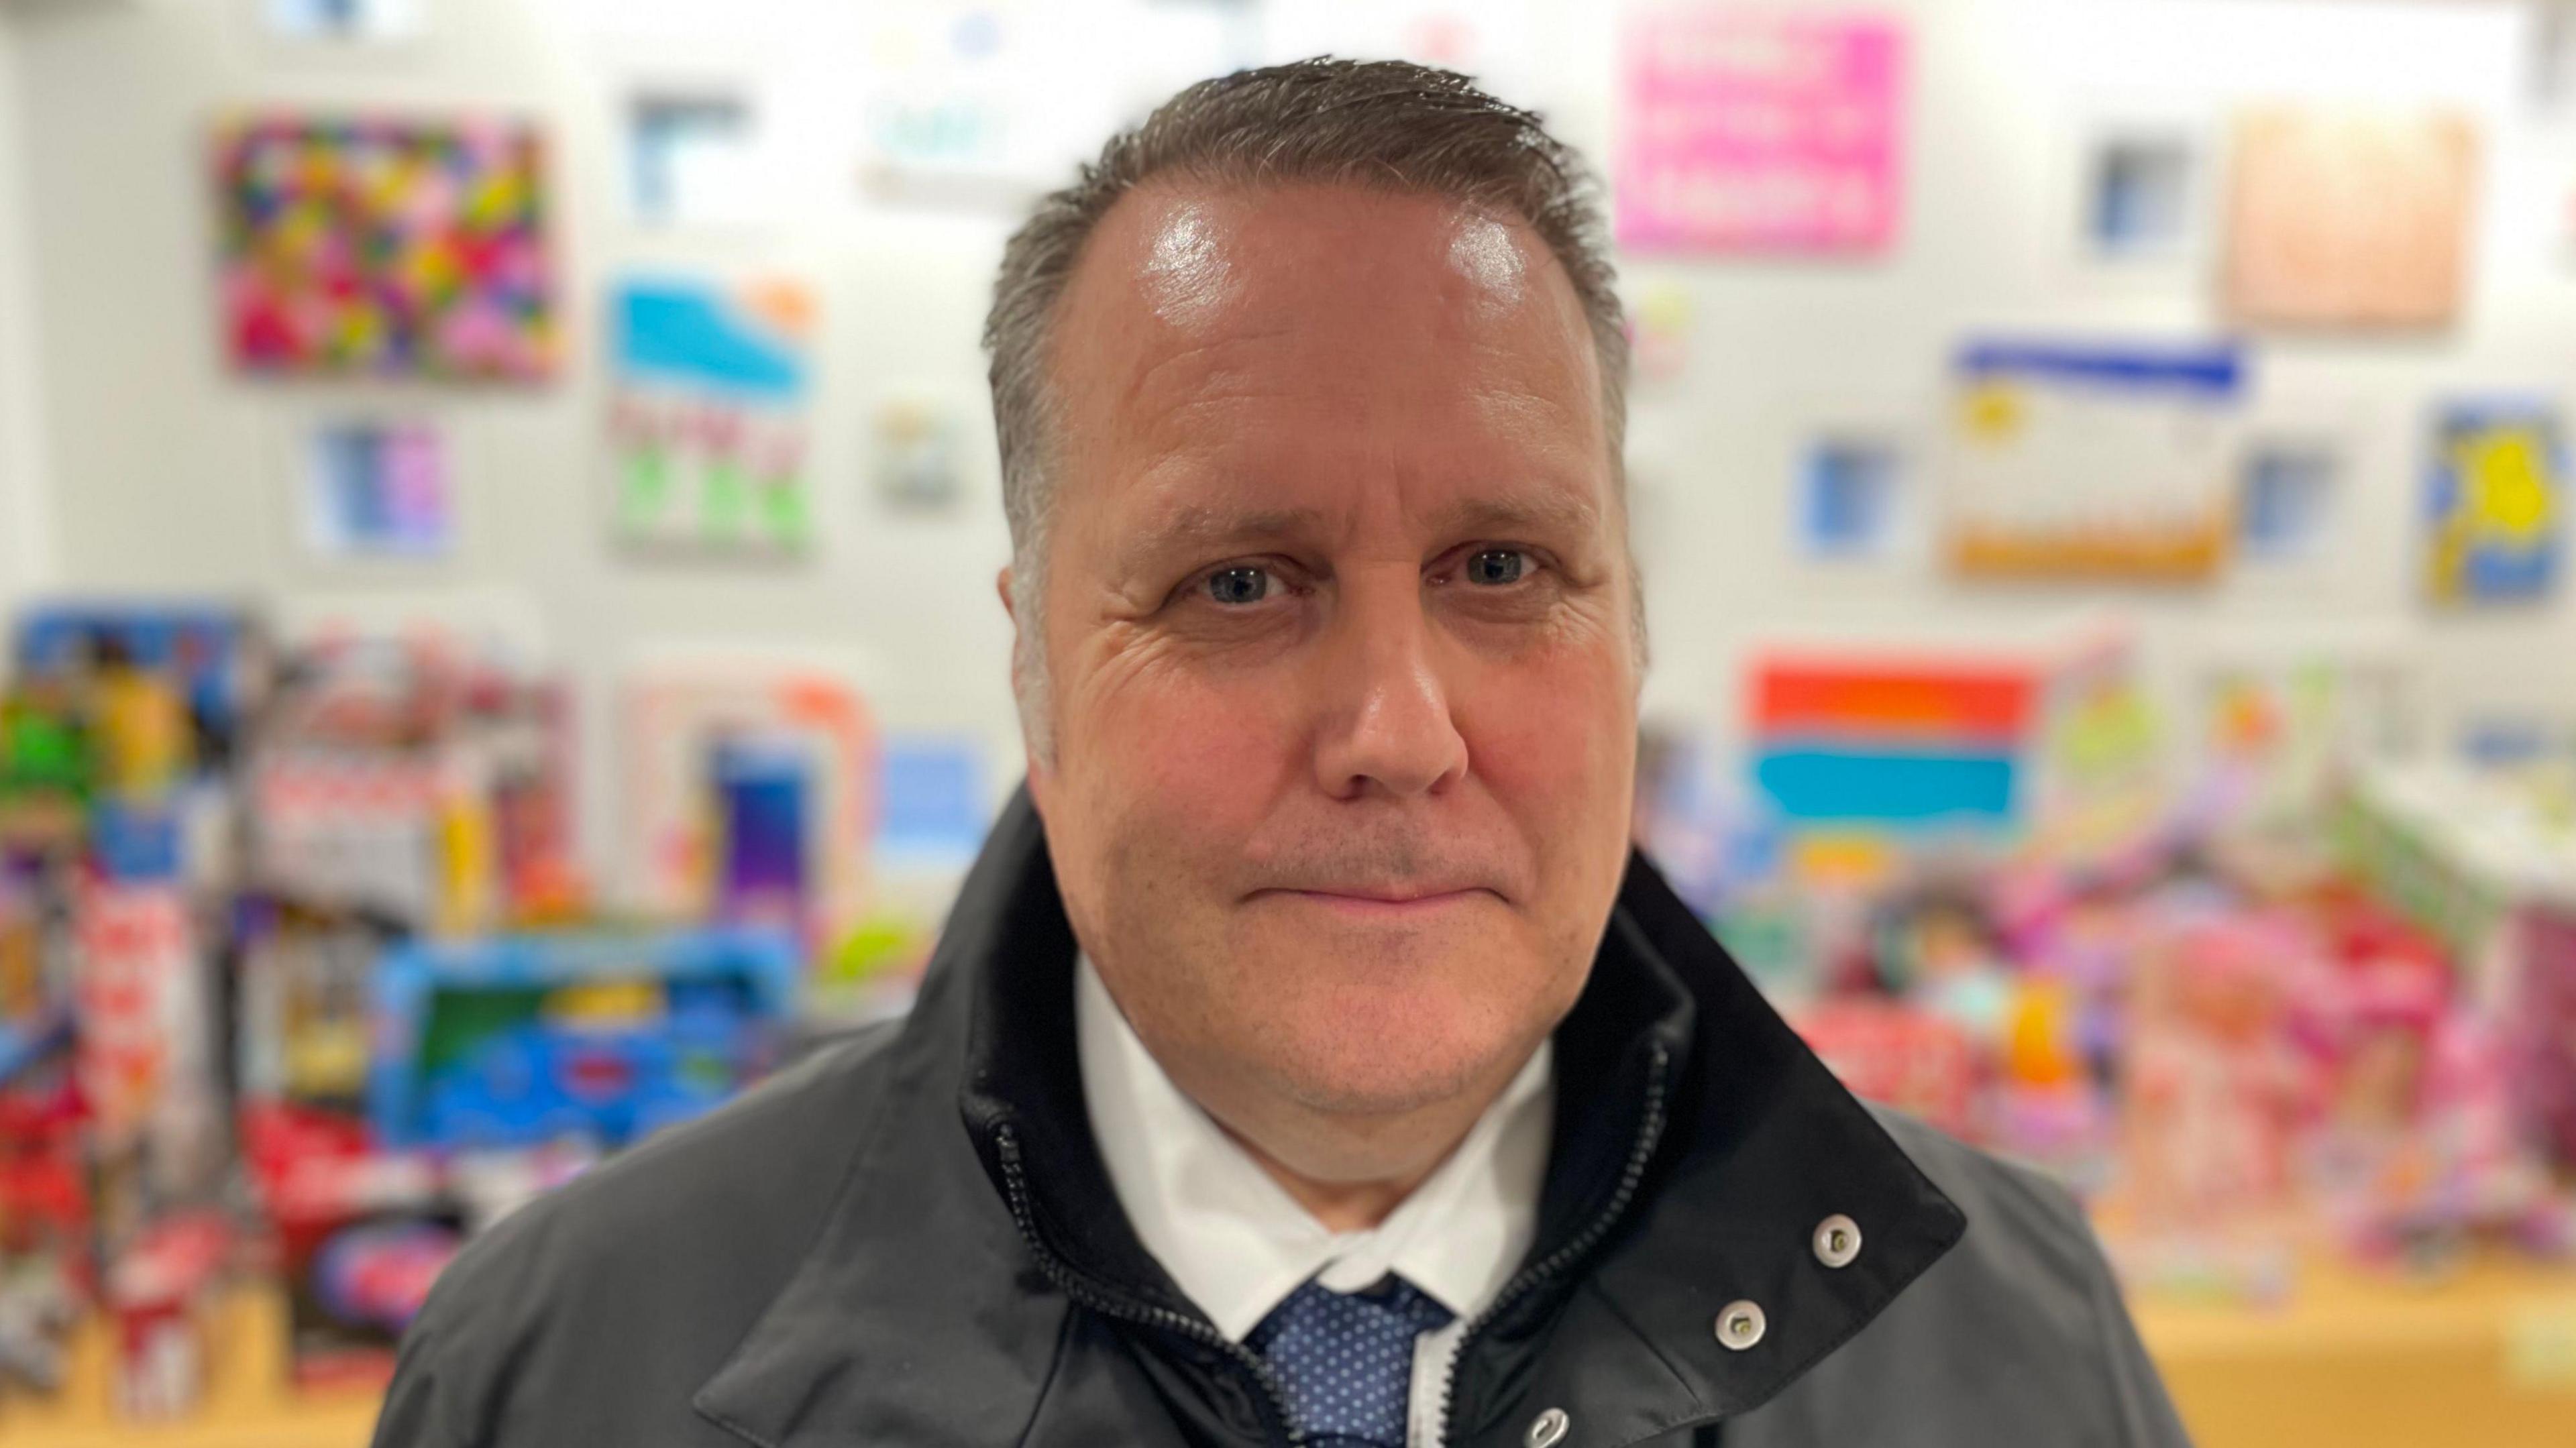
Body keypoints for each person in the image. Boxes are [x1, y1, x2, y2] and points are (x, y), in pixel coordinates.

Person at [372, 60, 2190, 1448]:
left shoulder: (2010, 1342)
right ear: (1031, 658)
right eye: (1240, 583)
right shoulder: (566, 1370)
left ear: (1632, 627)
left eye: (1504, 570)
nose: (1398, 733)